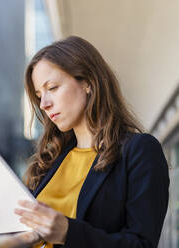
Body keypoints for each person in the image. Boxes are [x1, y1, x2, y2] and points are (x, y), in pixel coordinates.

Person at [13, 36, 170, 248]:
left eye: (52, 88)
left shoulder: (139, 151)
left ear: (87, 81)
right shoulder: (52, 159)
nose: (44, 104)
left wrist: (68, 233)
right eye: (39, 95)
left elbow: (141, 244)